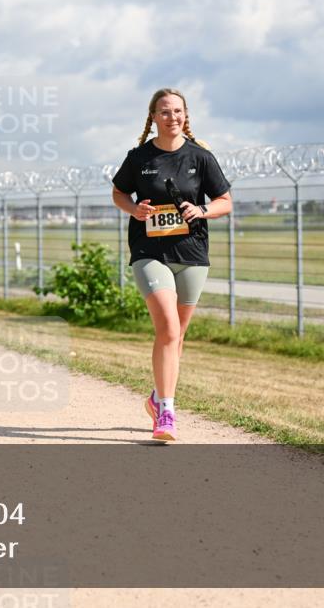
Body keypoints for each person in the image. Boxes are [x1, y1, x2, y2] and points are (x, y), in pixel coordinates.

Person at [111, 88, 233, 442]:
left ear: (186, 115)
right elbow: (118, 192)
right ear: (153, 116)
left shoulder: (201, 157)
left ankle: (154, 398)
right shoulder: (138, 157)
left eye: (178, 111)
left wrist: (203, 210)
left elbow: (225, 201)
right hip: (150, 251)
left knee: (177, 336)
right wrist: (133, 209)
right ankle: (166, 411)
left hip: (192, 253)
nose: (172, 117)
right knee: (167, 329)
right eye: (165, 112)